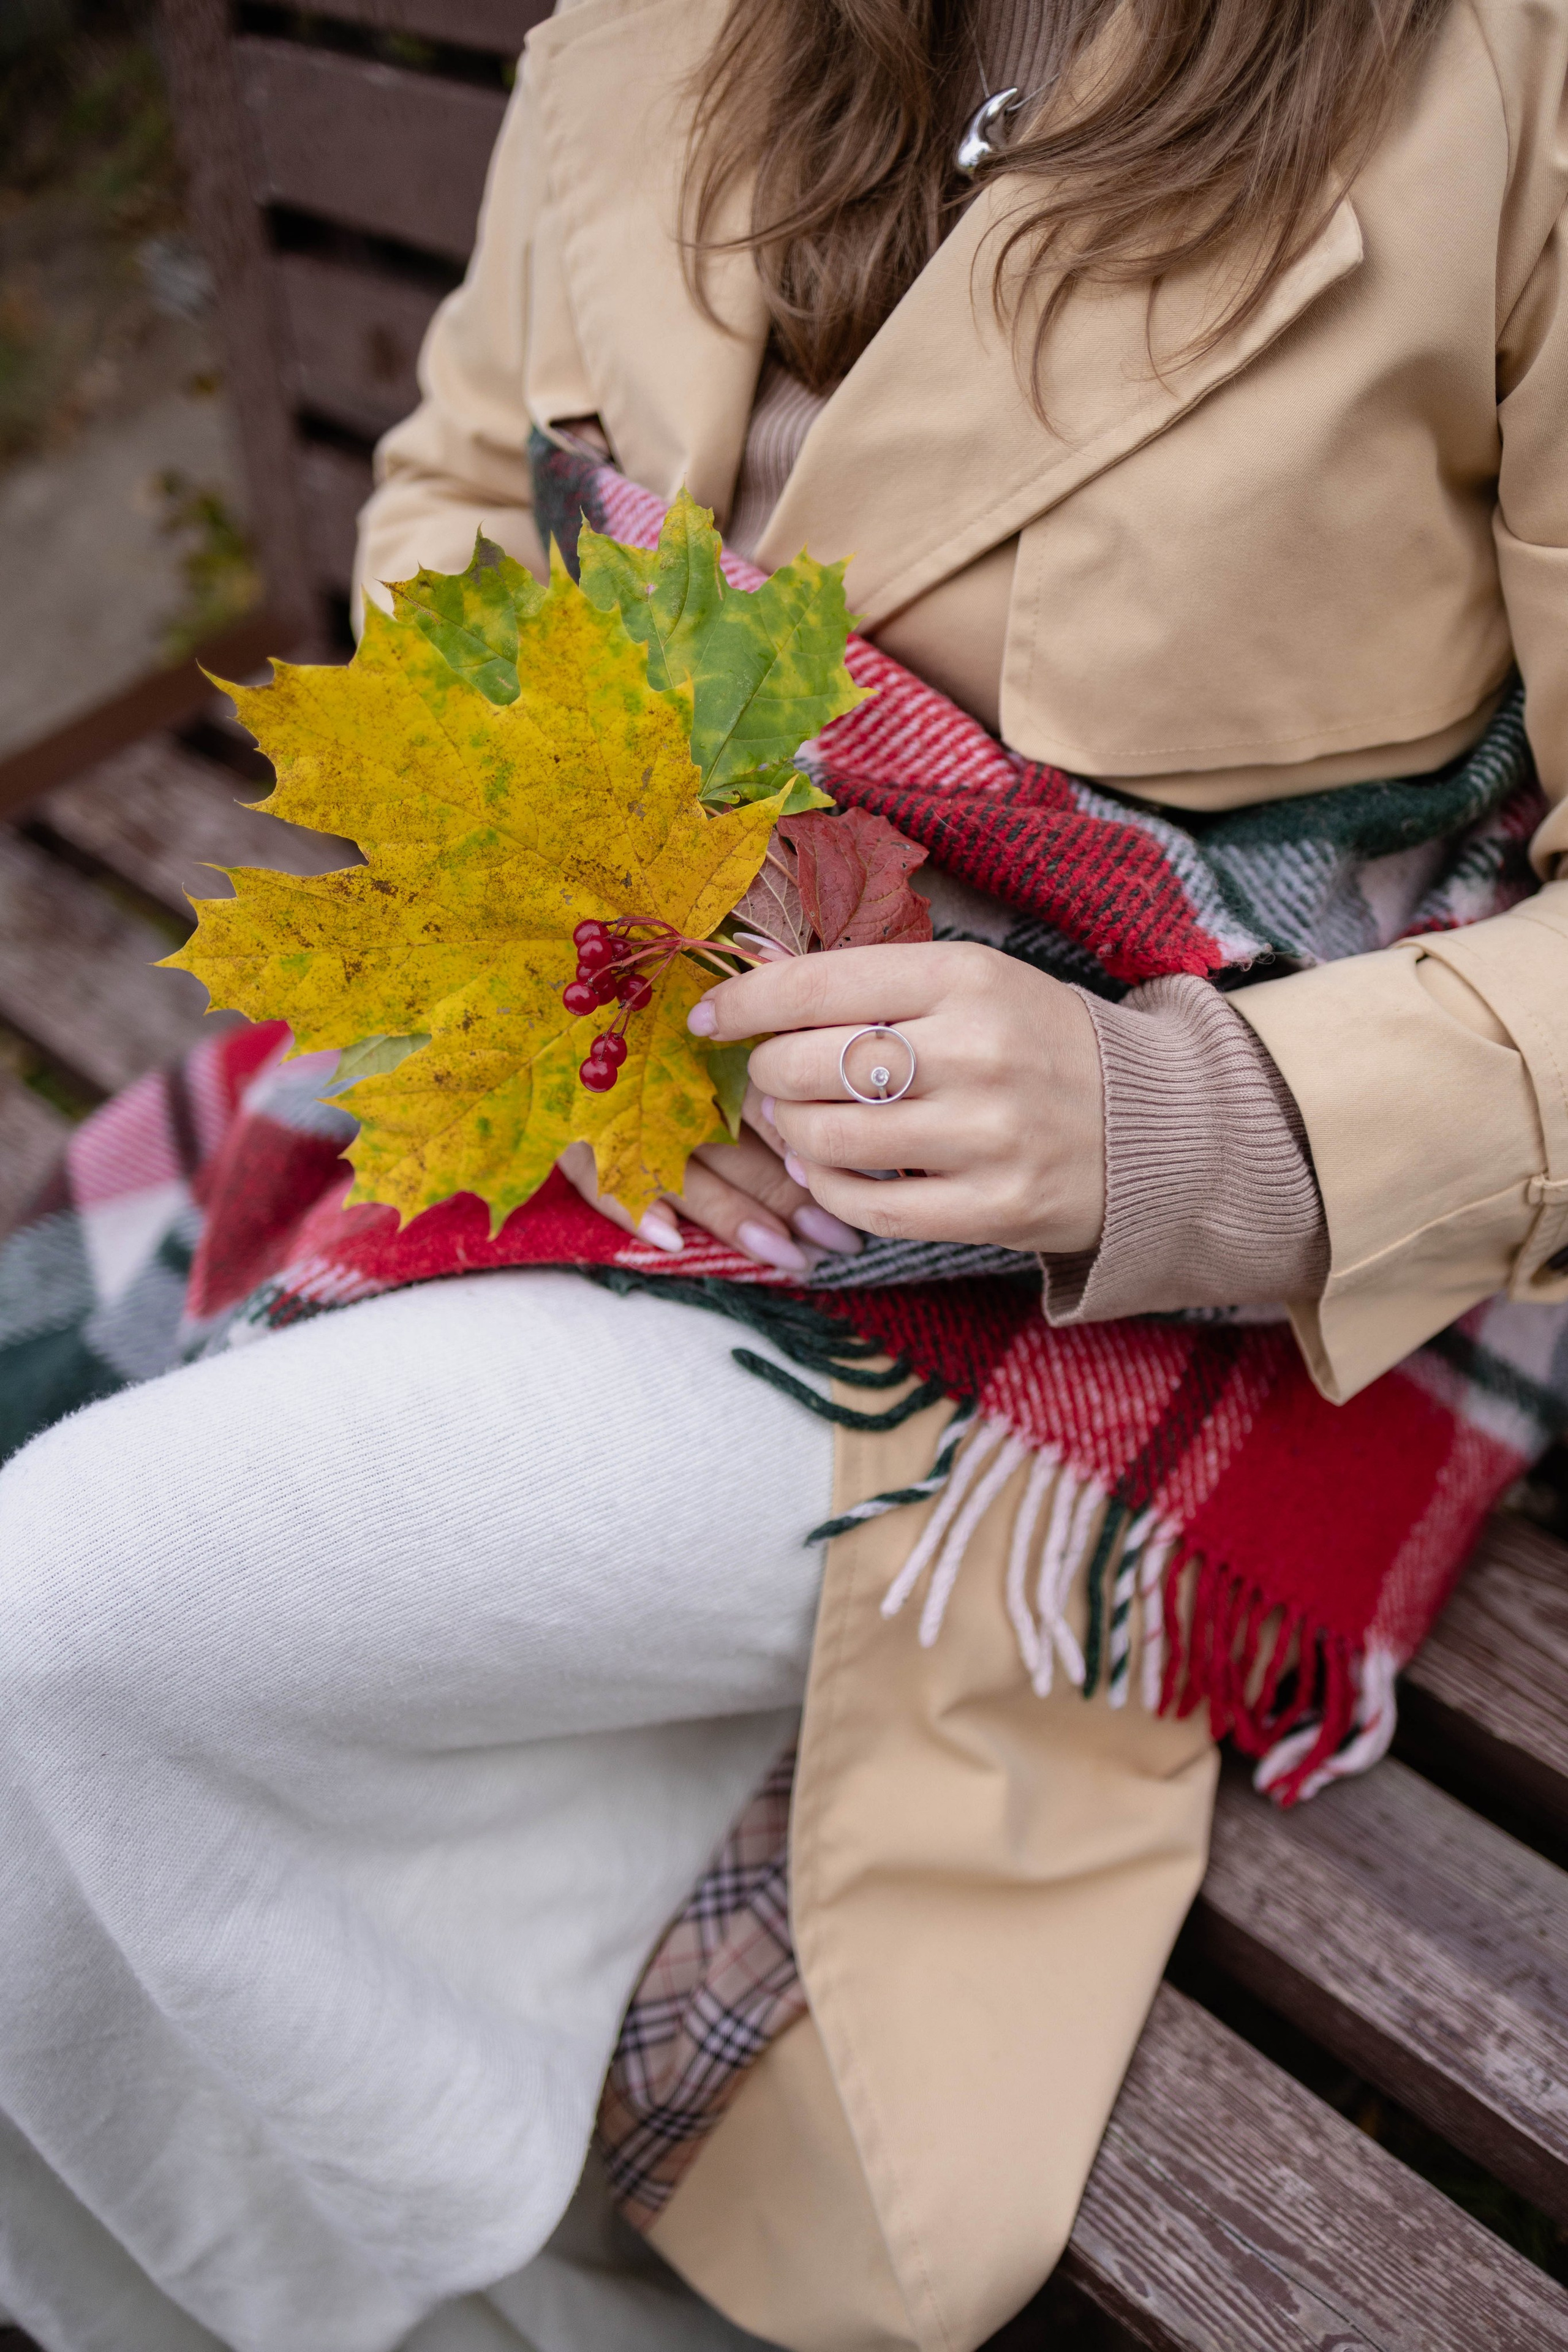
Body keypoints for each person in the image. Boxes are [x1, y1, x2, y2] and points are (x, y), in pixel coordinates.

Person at [2, 0, 1567, 2345]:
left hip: (1179, 1262)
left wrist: (1178, 1122)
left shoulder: (1513, 85)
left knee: (61, 1633)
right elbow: (459, 502)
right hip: (635, 1064)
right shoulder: (653, 29)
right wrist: (621, 906)